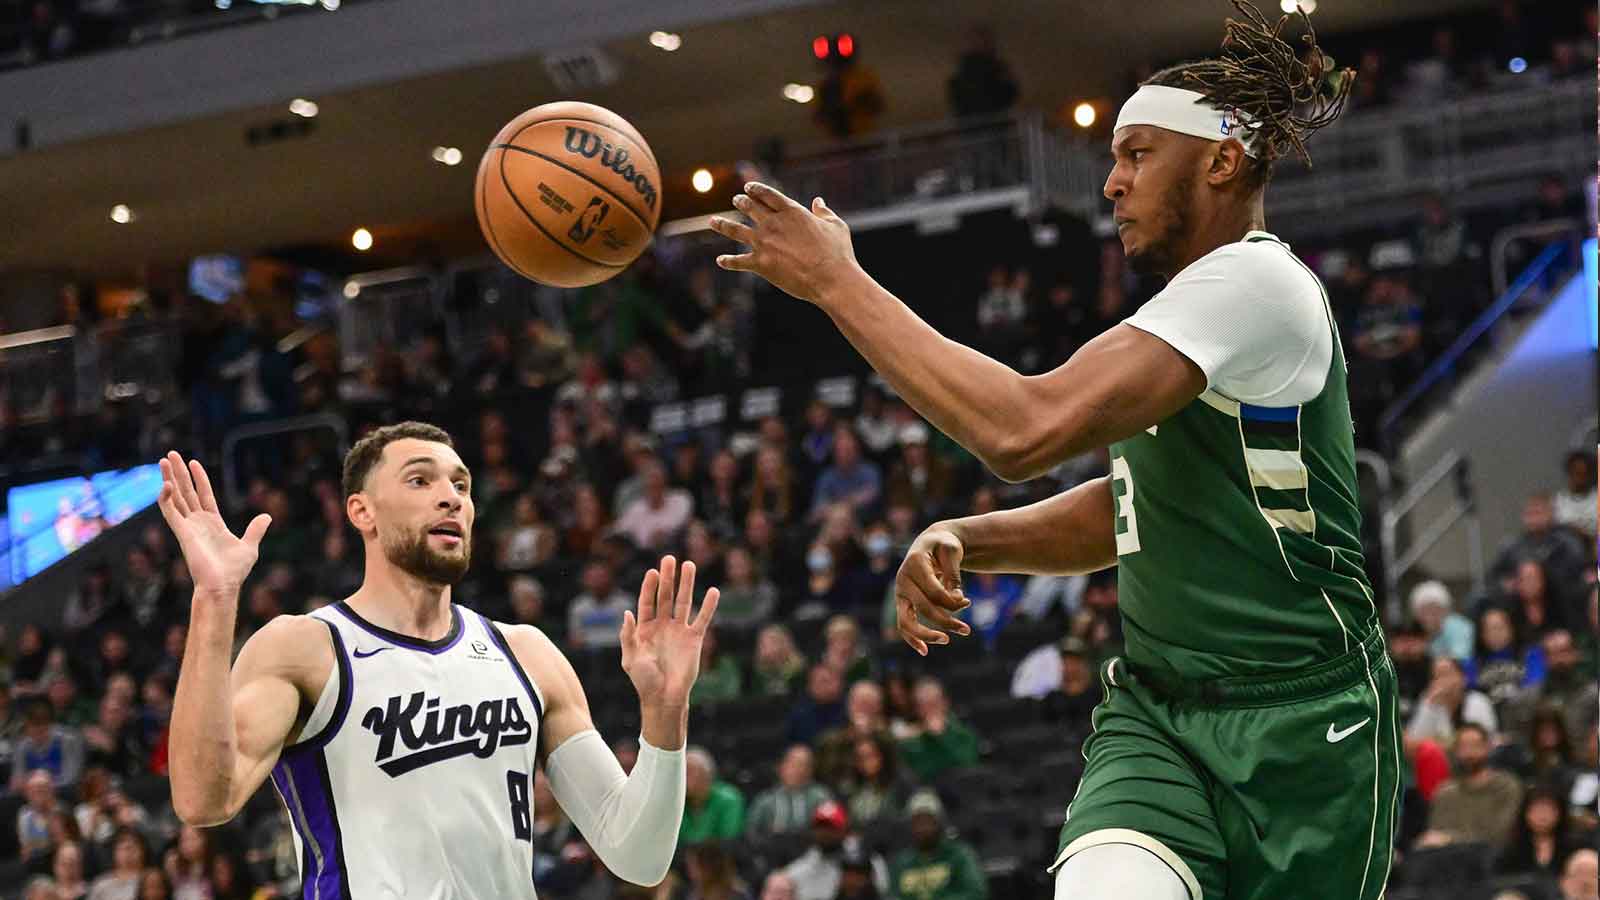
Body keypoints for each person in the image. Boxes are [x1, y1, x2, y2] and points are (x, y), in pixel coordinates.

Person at [710, 4, 1394, 897]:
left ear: (1222, 161)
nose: (1111, 183)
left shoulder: (1256, 283)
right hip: (1159, 717)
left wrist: (839, 282)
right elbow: (1130, 509)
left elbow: (1021, 431)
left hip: (1307, 727)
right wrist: (973, 538)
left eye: (1137, 154)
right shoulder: (1188, 315)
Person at [158, 422, 721, 896]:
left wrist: (664, 713)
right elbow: (204, 799)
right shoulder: (307, 648)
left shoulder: (527, 653)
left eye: (461, 484)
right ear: (362, 512)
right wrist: (214, 598)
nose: (451, 496)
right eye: (420, 480)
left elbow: (637, 855)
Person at [1416, 723, 1524, 850]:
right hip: (1448, 860)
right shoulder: (1445, 793)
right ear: (1455, 751)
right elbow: (1435, 836)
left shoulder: (1506, 786)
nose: (1469, 753)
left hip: (1493, 860)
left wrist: (1450, 839)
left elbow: (1499, 835)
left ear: (1488, 747)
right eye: (1463, 747)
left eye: (1475, 745)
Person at [887, 791, 988, 900]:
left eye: (928, 821)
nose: (922, 828)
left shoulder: (960, 855)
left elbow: (977, 893)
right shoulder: (901, 863)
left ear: (939, 823)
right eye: (917, 822)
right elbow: (892, 896)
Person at [745, 745, 834, 840]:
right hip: (770, 849)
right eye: (793, 764)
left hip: (811, 849)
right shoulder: (765, 800)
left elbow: (831, 831)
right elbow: (751, 833)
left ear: (811, 770)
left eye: (804, 765)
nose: (798, 770)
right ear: (781, 767)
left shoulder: (821, 797)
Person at [679, 747, 746, 847]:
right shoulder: (677, 802)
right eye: (681, 771)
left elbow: (728, 840)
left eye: (689, 771)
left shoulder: (728, 799)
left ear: (707, 775)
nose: (682, 776)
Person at [1410, 580, 1474, 663]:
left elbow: (1460, 659)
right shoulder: (1416, 630)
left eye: (1435, 610)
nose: (1430, 616)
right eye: (1425, 610)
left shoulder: (1460, 627)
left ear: (1445, 611)